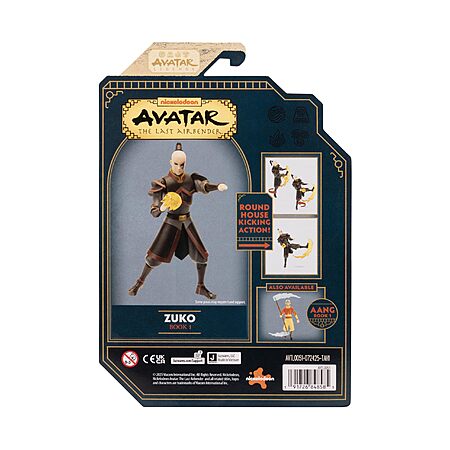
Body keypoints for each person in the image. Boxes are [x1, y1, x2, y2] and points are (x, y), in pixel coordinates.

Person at [128, 143, 228, 299]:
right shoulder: (163, 182)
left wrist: (217, 186)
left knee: (202, 256)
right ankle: (139, 282)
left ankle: (201, 286)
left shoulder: (190, 179)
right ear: (170, 162)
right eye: (176, 164)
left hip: (187, 222)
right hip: (171, 222)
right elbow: (154, 211)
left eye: (182, 165)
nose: (179, 168)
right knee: (153, 258)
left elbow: (204, 186)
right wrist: (161, 208)